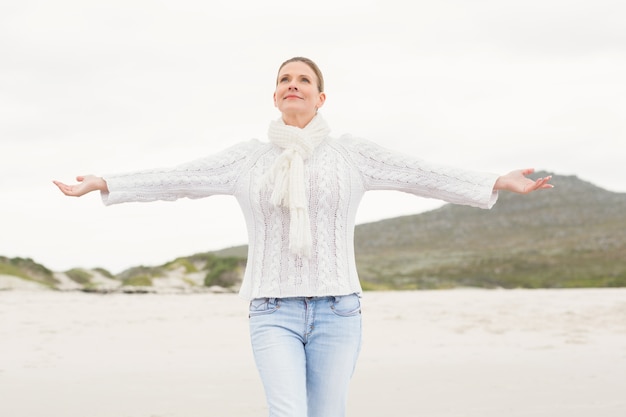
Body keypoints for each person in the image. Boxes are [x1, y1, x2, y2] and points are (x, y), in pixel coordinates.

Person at [53, 56, 553, 417]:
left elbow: (420, 174)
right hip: (272, 310)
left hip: (340, 310)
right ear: (275, 96)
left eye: (304, 80)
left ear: (321, 96)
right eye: (284, 80)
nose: (293, 85)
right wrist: (109, 182)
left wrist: (493, 181)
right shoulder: (247, 158)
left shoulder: (352, 154)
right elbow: (177, 179)